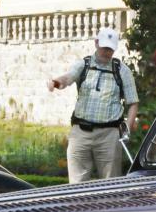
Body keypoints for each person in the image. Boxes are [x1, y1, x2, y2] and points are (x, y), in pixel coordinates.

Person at [48, 26, 140, 183]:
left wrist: (128, 128)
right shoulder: (83, 65)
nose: (107, 52)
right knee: (77, 186)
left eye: (110, 49)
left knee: (111, 186)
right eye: (104, 47)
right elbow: (68, 78)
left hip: (109, 135)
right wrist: (56, 82)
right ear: (96, 43)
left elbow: (133, 102)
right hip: (80, 133)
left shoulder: (122, 70)